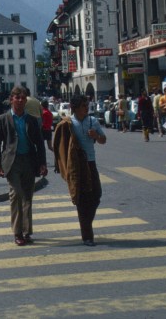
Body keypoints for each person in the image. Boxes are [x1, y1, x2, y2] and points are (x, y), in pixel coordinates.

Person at [0, 86, 48, 246]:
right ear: (12, 100)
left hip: (29, 161)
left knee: (28, 197)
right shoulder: (2, 119)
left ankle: (26, 231)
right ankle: (17, 232)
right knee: (16, 194)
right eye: (18, 98)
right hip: (12, 162)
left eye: (23, 98)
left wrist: (42, 163)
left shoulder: (31, 119)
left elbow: (40, 144)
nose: (21, 101)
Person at [53, 94, 106, 247]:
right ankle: (87, 235)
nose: (86, 108)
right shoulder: (68, 123)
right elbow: (60, 144)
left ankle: (86, 223)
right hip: (76, 166)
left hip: (90, 163)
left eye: (87, 105)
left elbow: (103, 140)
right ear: (75, 108)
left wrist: (96, 136)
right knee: (82, 200)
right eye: (83, 106)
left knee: (96, 195)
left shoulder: (92, 121)